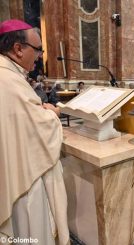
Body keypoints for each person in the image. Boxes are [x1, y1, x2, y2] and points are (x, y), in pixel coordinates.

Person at [0, 19, 69, 245]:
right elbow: (41, 129)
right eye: (38, 49)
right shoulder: (9, 80)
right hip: (23, 179)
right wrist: (52, 114)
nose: (40, 55)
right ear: (18, 49)